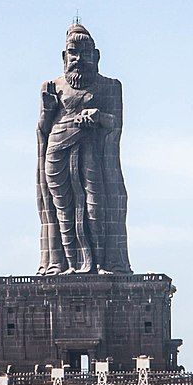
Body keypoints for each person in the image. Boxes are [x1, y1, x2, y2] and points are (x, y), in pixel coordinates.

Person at [36, 24, 132, 275]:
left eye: (85, 53)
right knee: (62, 211)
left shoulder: (110, 86)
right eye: (73, 53)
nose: (79, 59)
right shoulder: (51, 86)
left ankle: (99, 263)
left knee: (95, 206)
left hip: (93, 155)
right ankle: (66, 264)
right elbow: (43, 129)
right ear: (64, 57)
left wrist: (99, 116)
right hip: (56, 152)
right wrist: (47, 111)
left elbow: (116, 124)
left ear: (96, 56)